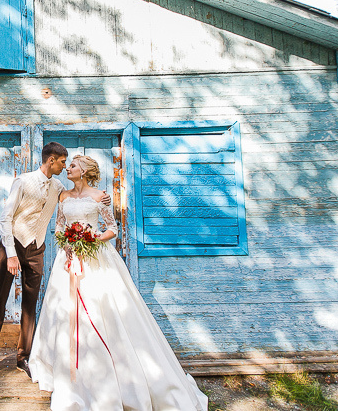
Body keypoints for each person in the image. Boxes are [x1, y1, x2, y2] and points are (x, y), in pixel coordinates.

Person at [29, 154, 208, 411]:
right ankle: (67, 369)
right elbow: (58, 227)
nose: (68, 168)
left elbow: (112, 228)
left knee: (102, 310)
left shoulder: (99, 196)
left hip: (95, 258)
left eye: (73, 165)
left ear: (84, 170)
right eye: (68, 165)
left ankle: (110, 370)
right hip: (68, 259)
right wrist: (67, 243)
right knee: (65, 312)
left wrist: (92, 239)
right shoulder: (63, 196)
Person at [0, 142, 110, 385]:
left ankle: (23, 357)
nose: (65, 167)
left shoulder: (58, 187)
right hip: (13, 246)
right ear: (51, 160)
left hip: (36, 250)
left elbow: (78, 196)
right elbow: (5, 217)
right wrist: (11, 254)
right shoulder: (23, 181)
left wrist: (103, 198)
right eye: (62, 162)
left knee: (30, 305)